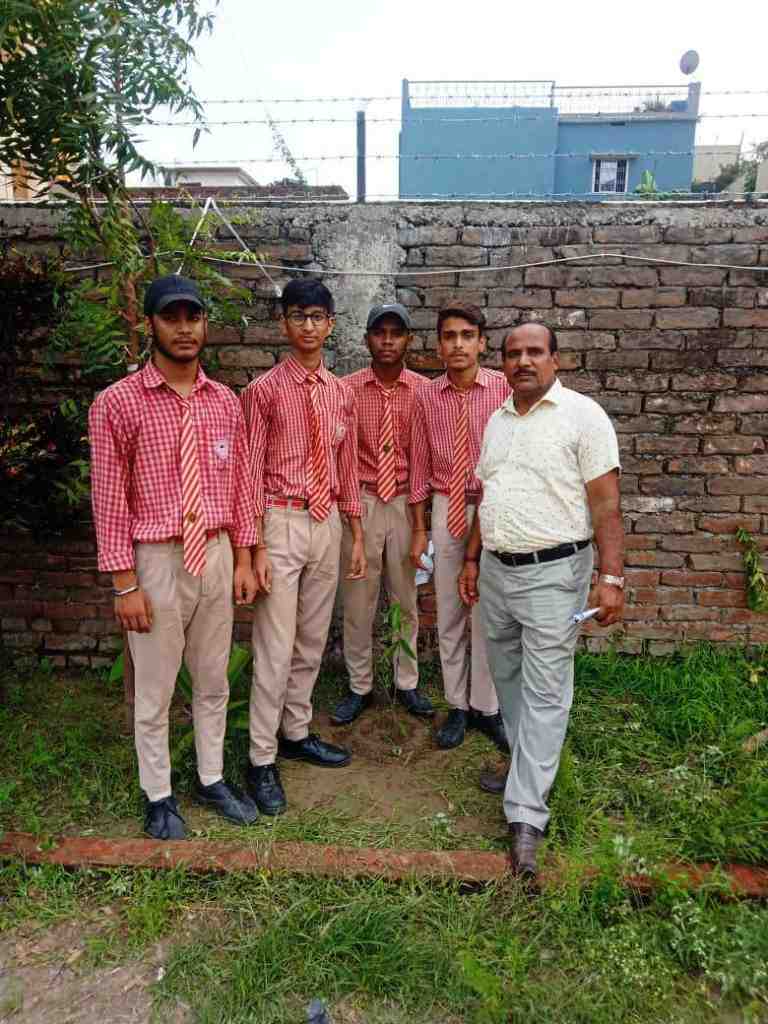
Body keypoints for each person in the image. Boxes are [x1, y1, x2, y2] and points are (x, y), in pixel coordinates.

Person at [89, 274, 260, 841]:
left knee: (213, 678)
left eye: (193, 317)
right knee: (156, 687)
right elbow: (110, 498)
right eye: (171, 317)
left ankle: (211, 777)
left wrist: (240, 558)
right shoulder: (118, 403)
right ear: (150, 324)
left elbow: (241, 487)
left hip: (213, 552)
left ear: (204, 323)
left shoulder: (225, 402)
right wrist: (123, 583)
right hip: (157, 560)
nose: (184, 328)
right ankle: (158, 794)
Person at [459, 321, 625, 880]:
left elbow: (605, 506)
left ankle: (527, 814)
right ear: (501, 364)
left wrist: (612, 578)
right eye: (513, 354)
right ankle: (524, 770)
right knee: (508, 679)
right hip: (499, 573)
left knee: (548, 688)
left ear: (556, 360)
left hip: (555, 573)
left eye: (535, 352)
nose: (523, 361)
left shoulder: (583, 417)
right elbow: (487, 496)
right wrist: (471, 560)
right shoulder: (498, 421)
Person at [241, 279, 366, 816]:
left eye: (318, 317)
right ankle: (260, 758)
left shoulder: (341, 392)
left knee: (312, 637)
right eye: (299, 317)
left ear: (331, 324)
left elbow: (346, 466)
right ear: (284, 324)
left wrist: (356, 532)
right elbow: (246, 472)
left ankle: (296, 729)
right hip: (281, 519)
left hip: (327, 522)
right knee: (275, 641)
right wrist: (254, 549)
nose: (309, 326)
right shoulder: (263, 391)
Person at [409, 301, 510, 752]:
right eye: (449, 336)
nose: (458, 344)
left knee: (489, 611)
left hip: (493, 508)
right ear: (438, 345)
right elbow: (417, 466)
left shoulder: (505, 390)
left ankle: (487, 706)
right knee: (449, 609)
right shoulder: (425, 395)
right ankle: (457, 704)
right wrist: (418, 528)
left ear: (482, 342)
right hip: (446, 507)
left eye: (467, 335)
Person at [331, 303, 433, 726]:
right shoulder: (346, 389)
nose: (387, 340)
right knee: (358, 600)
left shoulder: (424, 391)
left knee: (406, 597)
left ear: (409, 339)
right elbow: (343, 458)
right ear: (367, 338)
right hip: (364, 501)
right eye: (379, 332)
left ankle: (406, 682)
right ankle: (360, 685)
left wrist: (421, 525)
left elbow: (425, 459)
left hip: (407, 501)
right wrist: (353, 517)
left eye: (396, 332)